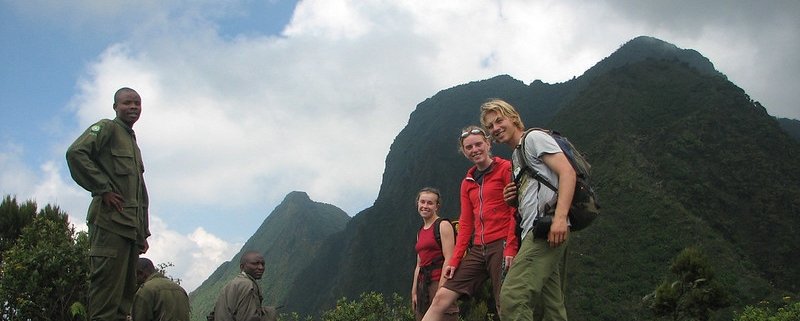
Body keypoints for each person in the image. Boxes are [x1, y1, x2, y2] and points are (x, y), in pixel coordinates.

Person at [480, 99, 576, 321]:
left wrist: (560, 218)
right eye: (490, 127)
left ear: (513, 117)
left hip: (546, 229)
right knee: (552, 307)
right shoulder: (517, 156)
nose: (495, 129)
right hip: (536, 231)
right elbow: (536, 193)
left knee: (512, 296)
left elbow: (567, 173)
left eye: (499, 121)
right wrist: (513, 200)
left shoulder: (533, 138)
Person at [66, 87, 151, 321]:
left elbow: (139, 192)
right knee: (105, 298)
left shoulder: (132, 142)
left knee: (123, 300)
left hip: (129, 229)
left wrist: (142, 232)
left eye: (137, 103)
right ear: (115, 107)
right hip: (110, 224)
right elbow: (76, 153)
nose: (133, 107)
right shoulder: (107, 128)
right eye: (127, 103)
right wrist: (103, 188)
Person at [422, 125, 519, 321]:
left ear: (488, 144)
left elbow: (515, 211)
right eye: (469, 147)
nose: (474, 150)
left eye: (478, 144)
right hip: (478, 248)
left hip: (501, 243)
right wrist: (455, 260)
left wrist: (511, 247)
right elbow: (466, 223)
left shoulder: (505, 169)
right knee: (441, 297)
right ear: (464, 152)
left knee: (505, 304)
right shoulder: (467, 181)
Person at [411, 187, 459, 321]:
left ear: (437, 206)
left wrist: (441, 290)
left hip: (438, 282)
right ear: (418, 204)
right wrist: (414, 291)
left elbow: (449, 258)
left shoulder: (443, 225)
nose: (425, 206)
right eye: (422, 202)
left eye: (430, 203)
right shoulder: (420, 231)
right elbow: (419, 264)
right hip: (423, 286)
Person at [211, 251, 277, 321]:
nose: (261, 267)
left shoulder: (232, 284)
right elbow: (248, 318)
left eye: (263, 264)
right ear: (242, 267)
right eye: (255, 264)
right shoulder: (247, 285)